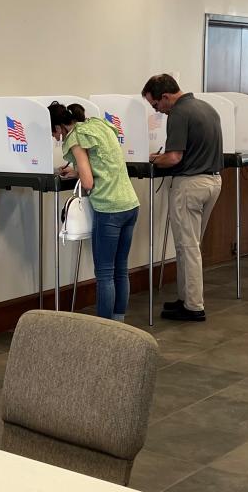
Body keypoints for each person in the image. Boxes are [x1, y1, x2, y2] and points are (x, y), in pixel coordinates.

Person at [141, 74, 223, 322]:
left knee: (187, 248)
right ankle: (186, 298)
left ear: (165, 97)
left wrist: (154, 158)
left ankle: (194, 306)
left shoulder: (178, 113)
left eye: (156, 105)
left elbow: (174, 157)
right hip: (213, 181)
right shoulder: (206, 108)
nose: (158, 111)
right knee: (191, 246)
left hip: (190, 185)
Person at [49, 102, 140, 321]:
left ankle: (104, 330)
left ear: (59, 127)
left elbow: (88, 183)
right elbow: (101, 163)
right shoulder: (97, 124)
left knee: (104, 274)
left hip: (109, 209)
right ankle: (118, 325)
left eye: (52, 132)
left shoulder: (76, 137)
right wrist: (78, 171)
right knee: (121, 269)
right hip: (130, 204)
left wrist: (80, 173)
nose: (54, 137)